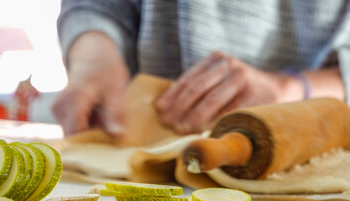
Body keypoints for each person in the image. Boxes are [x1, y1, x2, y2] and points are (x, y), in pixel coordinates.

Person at [53, 0, 350, 137]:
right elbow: (96, 6)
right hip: (137, 147)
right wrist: (93, 59)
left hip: (311, 146)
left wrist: (290, 90)